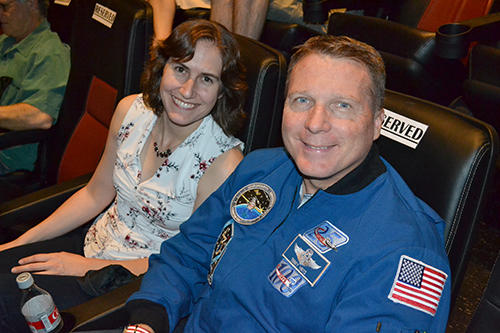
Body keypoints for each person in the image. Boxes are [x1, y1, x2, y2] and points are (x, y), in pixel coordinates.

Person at [125, 35, 451, 332]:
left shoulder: (405, 250)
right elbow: (188, 254)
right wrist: (147, 320)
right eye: (302, 101)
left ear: (377, 122)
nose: (315, 123)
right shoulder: (260, 168)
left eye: (342, 106)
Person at [0, 19, 246, 332]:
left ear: (222, 91)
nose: (188, 90)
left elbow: (189, 265)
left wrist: (87, 266)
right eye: (181, 69)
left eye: (207, 79)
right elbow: (95, 194)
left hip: (136, 283)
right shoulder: (132, 112)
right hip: (92, 243)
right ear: (162, 67)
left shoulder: (224, 164)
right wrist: (19, 242)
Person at [0, 0, 70, 174]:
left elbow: (41, 116)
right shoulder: (6, 41)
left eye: (5, 6)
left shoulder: (50, 53)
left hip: (8, 156)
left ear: (31, 4)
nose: (0, 13)